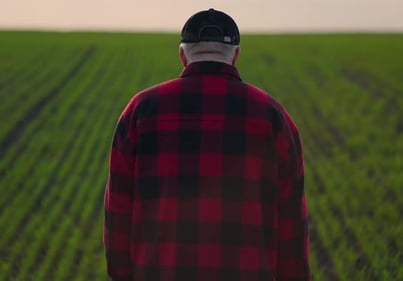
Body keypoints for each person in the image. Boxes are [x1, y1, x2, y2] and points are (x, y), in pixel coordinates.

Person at [104, 8, 310, 281]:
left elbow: (117, 214)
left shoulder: (140, 110)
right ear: (235, 56)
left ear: (182, 54)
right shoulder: (273, 116)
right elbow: (291, 224)